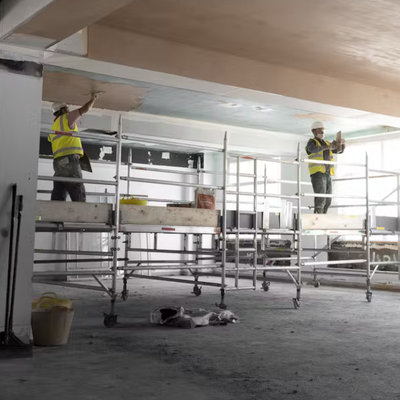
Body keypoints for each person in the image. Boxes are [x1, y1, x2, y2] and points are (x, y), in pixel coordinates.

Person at [48, 94, 98, 202]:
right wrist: (94, 98)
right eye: (66, 108)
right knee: (77, 191)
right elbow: (85, 109)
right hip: (70, 161)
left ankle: (54, 217)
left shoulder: (54, 126)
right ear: (62, 110)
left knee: (59, 193)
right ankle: (82, 216)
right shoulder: (67, 118)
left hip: (57, 163)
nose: (68, 110)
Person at [305, 121, 345, 214]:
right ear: (314, 131)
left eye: (323, 130)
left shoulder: (326, 143)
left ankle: (323, 217)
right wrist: (327, 147)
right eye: (320, 130)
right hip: (318, 174)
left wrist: (341, 145)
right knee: (321, 199)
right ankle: (318, 218)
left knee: (328, 200)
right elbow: (313, 149)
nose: (322, 132)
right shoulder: (311, 142)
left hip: (327, 174)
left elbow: (339, 150)